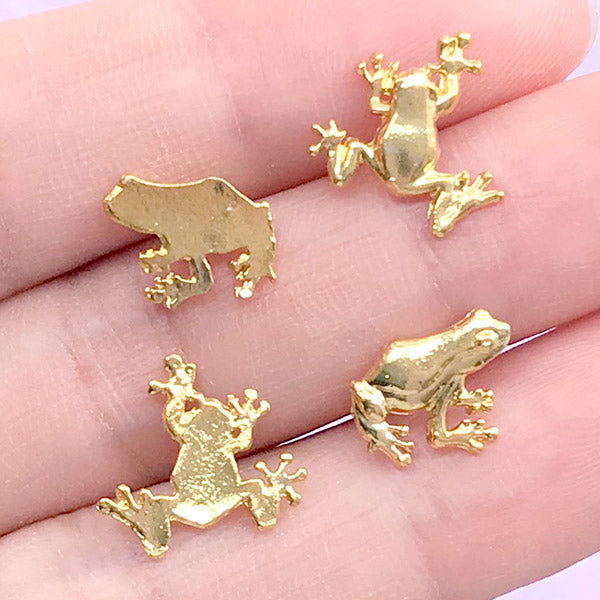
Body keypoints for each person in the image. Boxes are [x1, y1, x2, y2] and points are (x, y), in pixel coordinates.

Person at [0, 0, 598, 598]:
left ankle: (196, 508)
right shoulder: (209, 431)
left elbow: (202, 425)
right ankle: (211, 504)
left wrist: (195, 398)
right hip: (259, 450)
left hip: (238, 463)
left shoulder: (203, 429)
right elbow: (212, 428)